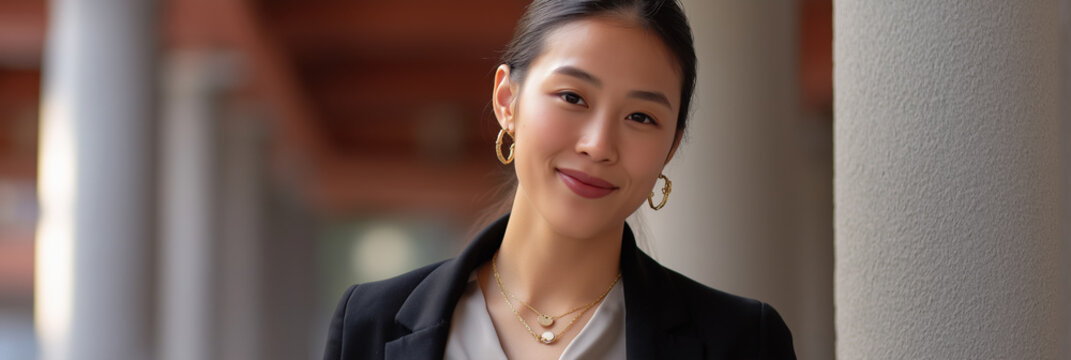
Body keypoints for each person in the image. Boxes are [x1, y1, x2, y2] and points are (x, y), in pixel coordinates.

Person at [322, 0, 796, 359]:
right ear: (508, 101)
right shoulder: (372, 324)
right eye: (572, 97)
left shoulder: (742, 341)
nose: (598, 144)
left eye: (641, 117)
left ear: (670, 148)